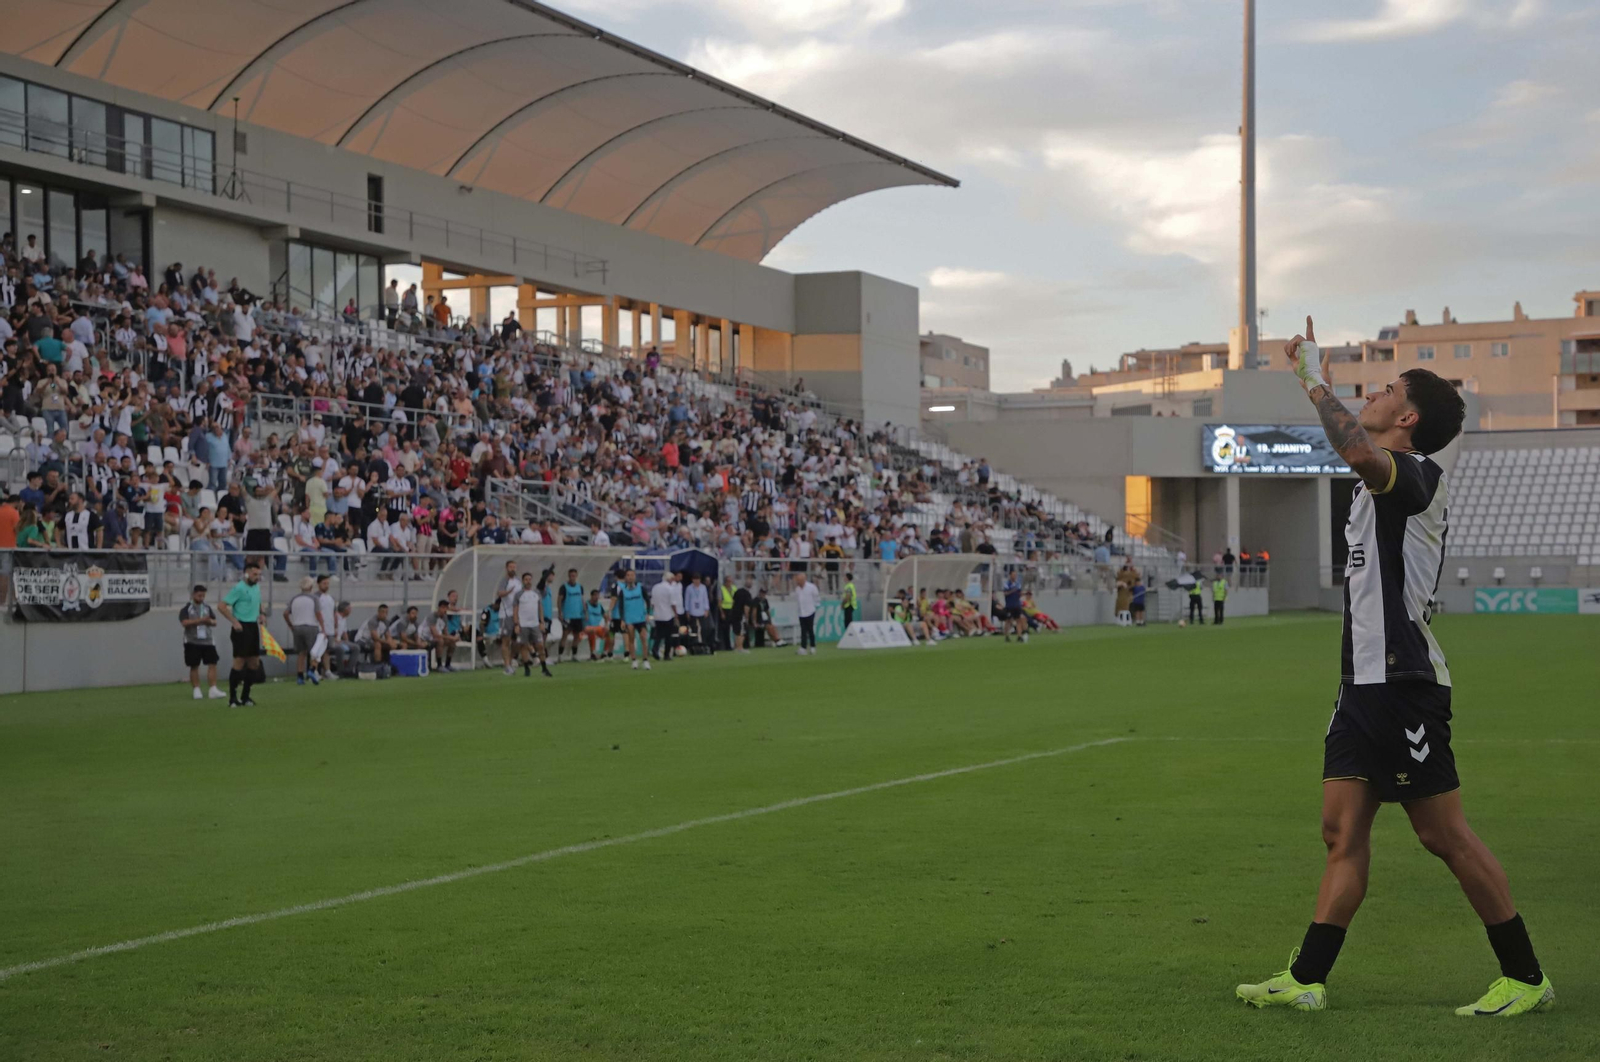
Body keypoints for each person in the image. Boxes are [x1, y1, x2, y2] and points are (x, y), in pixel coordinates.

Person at [1238, 316, 1551, 1017]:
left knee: (1442, 834)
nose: (1372, 395)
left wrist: (1314, 379)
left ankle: (1526, 976)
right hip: (1361, 687)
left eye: (1384, 389)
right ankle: (1307, 978)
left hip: (1406, 685)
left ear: (1407, 418)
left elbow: (1354, 449)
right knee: (1340, 831)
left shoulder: (1412, 476)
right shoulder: (1388, 478)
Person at [218, 560, 264, 706]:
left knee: (254, 663)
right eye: (255, 574)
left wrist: (261, 614)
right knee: (239, 662)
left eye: (259, 574)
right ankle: (232, 698)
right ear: (247, 573)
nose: (257, 577)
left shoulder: (257, 587)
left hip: (253, 626)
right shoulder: (239, 588)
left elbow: (258, 602)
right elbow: (221, 606)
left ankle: (246, 696)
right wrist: (234, 621)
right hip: (241, 627)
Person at [179, 584, 225, 700]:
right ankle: (196, 689)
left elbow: (214, 622)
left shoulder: (207, 608)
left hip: (208, 640)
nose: (201, 598)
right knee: (194, 665)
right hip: (192, 641)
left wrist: (209, 622)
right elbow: (184, 623)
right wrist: (200, 620)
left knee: (213, 663)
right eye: (199, 595)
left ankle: (213, 689)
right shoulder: (186, 609)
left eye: (203, 596)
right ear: (193, 594)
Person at [510, 571, 552, 678]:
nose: (528, 582)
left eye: (530, 579)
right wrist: (516, 624)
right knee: (524, 646)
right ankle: (526, 669)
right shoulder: (519, 595)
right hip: (523, 624)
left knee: (540, 646)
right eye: (526, 580)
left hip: (535, 624)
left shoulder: (536, 593)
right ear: (523, 581)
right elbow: (515, 610)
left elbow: (540, 608)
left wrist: (541, 622)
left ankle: (544, 668)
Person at [282, 576, 322, 685]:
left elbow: (285, 613)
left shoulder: (294, 598)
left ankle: (300, 676)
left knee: (301, 653)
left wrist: (291, 625)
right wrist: (323, 626)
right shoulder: (314, 598)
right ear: (311, 586)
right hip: (311, 626)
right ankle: (312, 670)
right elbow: (318, 613)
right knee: (315, 652)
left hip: (297, 627)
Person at [614, 568, 650, 670]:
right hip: (629, 618)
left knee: (643, 638)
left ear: (635, 576)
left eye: (632, 575)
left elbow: (647, 600)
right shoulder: (623, 591)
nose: (630, 577)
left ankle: (645, 660)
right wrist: (622, 619)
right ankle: (634, 660)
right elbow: (620, 606)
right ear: (625, 577)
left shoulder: (640, 588)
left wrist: (648, 613)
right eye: (628, 575)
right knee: (631, 639)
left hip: (640, 618)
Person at [649, 570, 682, 662]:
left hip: (658, 615)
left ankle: (655, 648)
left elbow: (653, 603)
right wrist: (676, 615)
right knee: (668, 636)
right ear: (670, 579)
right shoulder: (670, 589)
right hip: (668, 615)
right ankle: (666, 654)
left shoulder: (655, 587)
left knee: (659, 634)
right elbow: (673, 603)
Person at [556, 568, 585, 663]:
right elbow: (559, 600)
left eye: (574, 576)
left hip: (578, 615)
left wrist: (585, 611)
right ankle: (560, 656)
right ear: (568, 576)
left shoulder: (580, 587)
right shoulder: (564, 587)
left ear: (576, 576)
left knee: (577, 636)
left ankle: (574, 655)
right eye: (571, 576)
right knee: (565, 634)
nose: (572, 577)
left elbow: (582, 599)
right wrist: (560, 612)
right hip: (568, 615)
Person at [793, 571, 820, 656]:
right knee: (803, 630)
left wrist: (814, 607)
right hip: (801, 612)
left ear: (804, 580)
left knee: (810, 629)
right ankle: (803, 647)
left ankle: (812, 646)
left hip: (810, 611)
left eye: (799, 580)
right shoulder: (797, 589)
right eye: (797, 580)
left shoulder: (811, 587)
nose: (798, 582)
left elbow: (816, 598)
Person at [683, 572, 711, 652]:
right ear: (692, 580)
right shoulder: (689, 588)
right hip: (692, 610)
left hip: (701, 610)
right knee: (693, 628)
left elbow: (705, 598)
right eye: (695, 580)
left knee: (704, 627)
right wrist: (687, 610)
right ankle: (694, 644)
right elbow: (687, 599)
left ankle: (703, 642)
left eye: (698, 580)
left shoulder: (703, 587)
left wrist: (706, 609)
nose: (696, 581)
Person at [429, 600, 459, 672]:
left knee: (452, 642)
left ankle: (448, 664)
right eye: (443, 608)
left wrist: (453, 638)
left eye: (446, 608)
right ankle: (439, 665)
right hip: (427, 637)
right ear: (439, 608)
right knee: (440, 641)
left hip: (437, 638)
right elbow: (435, 634)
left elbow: (445, 632)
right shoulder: (432, 616)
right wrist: (450, 637)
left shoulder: (444, 617)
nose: (445, 610)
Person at [581, 589, 610, 662]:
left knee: (610, 633)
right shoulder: (586, 605)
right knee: (592, 631)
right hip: (587, 627)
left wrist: (606, 625)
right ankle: (593, 652)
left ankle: (605, 652)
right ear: (591, 596)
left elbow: (606, 617)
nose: (597, 597)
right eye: (595, 595)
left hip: (597, 627)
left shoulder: (600, 606)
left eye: (598, 595)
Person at [1002, 571, 1026, 643]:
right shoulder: (1007, 584)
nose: (1015, 576)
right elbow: (1005, 593)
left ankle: (1019, 636)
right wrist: (1012, 591)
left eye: (1015, 575)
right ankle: (1007, 636)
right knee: (1008, 621)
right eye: (1013, 575)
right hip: (1010, 605)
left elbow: (1019, 593)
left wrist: (1023, 594)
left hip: (1016, 605)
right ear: (1010, 575)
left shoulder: (1018, 584)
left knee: (1018, 620)